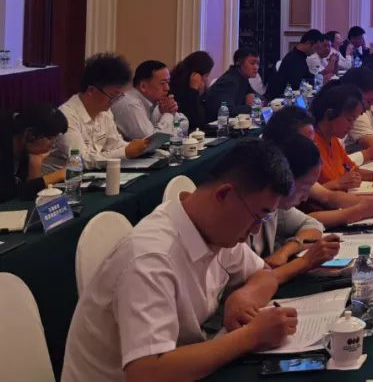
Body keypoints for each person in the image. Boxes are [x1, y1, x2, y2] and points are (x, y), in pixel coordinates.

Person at [62, 139, 298, 382]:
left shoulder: (214, 228)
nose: (256, 230)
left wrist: (244, 297)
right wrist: (250, 336)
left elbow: (265, 275)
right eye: (257, 217)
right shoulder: (151, 258)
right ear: (224, 194)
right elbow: (146, 373)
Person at [263, 107, 373, 225]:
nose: (313, 149)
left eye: (313, 143)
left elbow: (328, 197)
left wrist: (372, 201)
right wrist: (360, 210)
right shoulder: (273, 183)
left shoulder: (298, 167)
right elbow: (304, 221)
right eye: (307, 143)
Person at [248, 134, 341, 285]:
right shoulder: (240, 219)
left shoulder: (277, 208)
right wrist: (306, 261)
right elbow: (252, 283)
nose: (305, 198)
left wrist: (287, 250)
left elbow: (313, 224)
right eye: (304, 188)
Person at [45, 54, 151, 173]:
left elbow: (114, 144)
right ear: (91, 90)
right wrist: (125, 152)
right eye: (113, 96)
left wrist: (138, 147)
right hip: (63, 180)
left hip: (93, 175)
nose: (114, 102)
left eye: (119, 97)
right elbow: (80, 160)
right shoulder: (67, 116)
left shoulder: (104, 112)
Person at [311, 83, 373, 183]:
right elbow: (309, 191)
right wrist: (339, 184)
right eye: (349, 119)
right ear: (330, 114)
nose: (351, 126)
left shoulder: (333, 140)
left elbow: (351, 169)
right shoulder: (311, 145)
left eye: (354, 120)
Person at [0, 105, 69, 202]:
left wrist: (36, 162)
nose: (53, 145)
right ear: (30, 134)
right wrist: (53, 177)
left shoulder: (26, 148)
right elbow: (5, 194)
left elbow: (26, 194)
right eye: (50, 138)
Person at [112, 60, 184, 140]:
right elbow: (150, 142)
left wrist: (171, 111)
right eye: (162, 83)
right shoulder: (131, 104)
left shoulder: (155, 103)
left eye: (168, 82)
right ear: (143, 86)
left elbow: (183, 125)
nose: (167, 88)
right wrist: (168, 114)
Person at [204, 48, 261, 118]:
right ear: (238, 63)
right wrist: (252, 107)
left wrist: (256, 101)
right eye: (252, 63)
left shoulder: (243, 78)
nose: (256, 67)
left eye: (258, 64)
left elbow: (260, 99)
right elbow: (227, 111)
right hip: (213, 122)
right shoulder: (229, 81)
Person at [268, 29, 322, 99]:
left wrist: (318, 79)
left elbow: (307, 76)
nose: (315, 52)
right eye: (316, 48)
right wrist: (316, 81)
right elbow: (297, 84)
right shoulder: (294, 59)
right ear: (308, 43)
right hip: (283, 98)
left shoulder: (300, 56)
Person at [171, 51, 215, 132]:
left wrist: (200, 94)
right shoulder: (176, 87)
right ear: (196, 76)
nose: (207, 79)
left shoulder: (198, 89)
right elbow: (195, 122)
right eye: (206, 76)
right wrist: (194, 90)